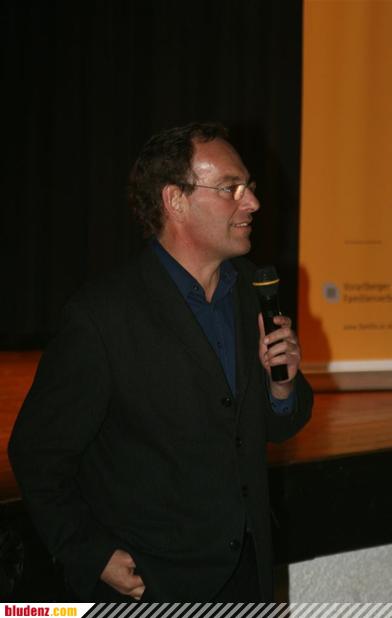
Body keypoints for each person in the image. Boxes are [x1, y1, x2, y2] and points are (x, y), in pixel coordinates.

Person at [9, 122, 313, 602]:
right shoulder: (103, 316)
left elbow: (272, 428)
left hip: (245, 577)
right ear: (175, 201)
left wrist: (282, 388)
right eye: (231, 188)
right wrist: (92, 553)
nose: (253, 202)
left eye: (249, 186)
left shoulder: (252, 291)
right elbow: (36, 452)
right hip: (153, 585)